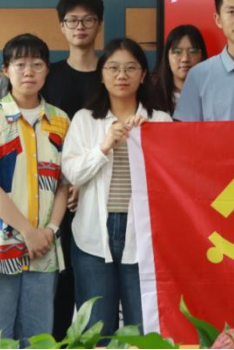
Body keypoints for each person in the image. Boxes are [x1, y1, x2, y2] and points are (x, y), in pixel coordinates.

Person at [0, 34, 71, 346]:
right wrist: (28, 232)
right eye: (20, 64)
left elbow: (64, 184)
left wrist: (49, 231)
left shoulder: (60, 121)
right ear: (6, 70)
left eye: (37, 64)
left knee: (38, 341)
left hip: (43, 251)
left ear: (47, 70)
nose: (29, 72)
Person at [63, 38, 172, 336]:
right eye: (113, 68)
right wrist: (104, 146)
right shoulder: (85, 119)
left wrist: (149, 142)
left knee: (143, 328)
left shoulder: (159, 120)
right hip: (93, 233)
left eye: (130, 68)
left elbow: (171, 179)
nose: (121, 75)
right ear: (101, 75)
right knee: (96, 328)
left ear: (143, 75)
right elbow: (71, 172)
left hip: (144, 234)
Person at [39, 0, 104, 339]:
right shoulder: (49, 77)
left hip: (103, 191)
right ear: (62, 27)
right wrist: (68, 182)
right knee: (58, 293)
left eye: (88, 19)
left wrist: (84, 179)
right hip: (55, 195)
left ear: (99, 25)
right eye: (72, 20)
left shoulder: (112, 72)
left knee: (98, 299)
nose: (80, 27)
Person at [150, 25, 206, 115]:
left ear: (201, 56)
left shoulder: (213, 93)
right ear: (167, 57)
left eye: (192, 51)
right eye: (177, 52)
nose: (185, 59)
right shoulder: (152, 95)